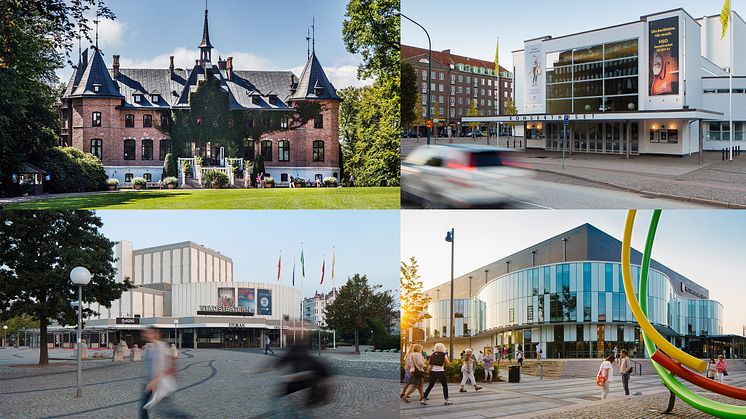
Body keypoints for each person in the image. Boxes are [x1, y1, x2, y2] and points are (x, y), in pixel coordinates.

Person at [140, 327, 189, 419]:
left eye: (148, 333)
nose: (145, 335)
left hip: (157, 383)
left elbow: (163, 367)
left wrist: (154, 381)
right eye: (145, 333)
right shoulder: (150, 347)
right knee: (144, 409)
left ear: (154, 334)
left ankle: (185, 417)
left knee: (164, 410)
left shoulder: (161, 347)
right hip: (148, 382)